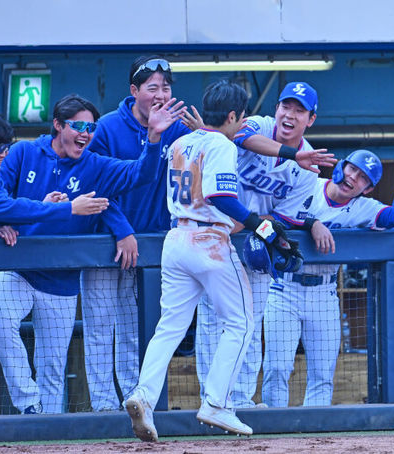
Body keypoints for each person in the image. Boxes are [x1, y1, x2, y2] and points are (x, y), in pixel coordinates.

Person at [124, 80, 303, 441]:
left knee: (170, 326)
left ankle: (143, 394)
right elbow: (220, 196)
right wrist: (263, 227)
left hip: (176, 239)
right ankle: (217, 403)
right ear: (233, 115)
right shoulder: (221, 144)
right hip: (209, 239)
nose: (242, 122)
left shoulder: (180, 141)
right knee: (240, 323)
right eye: (242, 116)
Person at [0, 95, 168, 414]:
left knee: (53, 369)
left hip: (61, 281)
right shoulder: (25, 151)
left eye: (91, 127)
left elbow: (142, 174)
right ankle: (28, 402)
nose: (86, 133)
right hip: (16, 268)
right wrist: (2, 221)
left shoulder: (94, 164)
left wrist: (153, 139)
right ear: (58, 125)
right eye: (79, 125)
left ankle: (49, 434)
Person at [0, 111, 107, 412]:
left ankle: (40, 413)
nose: (5, 154)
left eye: (8, 147)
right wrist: (69, 207)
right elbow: (5, 205)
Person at [194, 81, 335, 408]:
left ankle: (240, 400)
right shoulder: (261, 125)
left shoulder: (307, 169)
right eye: (286, 106)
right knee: (212, 321)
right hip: (214, 237)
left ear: (310, 119)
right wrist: (292, 154)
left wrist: (244, 225)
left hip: (249, 242)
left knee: (249, 323)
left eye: (300, 110)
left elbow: (280, 216)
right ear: (277, 109)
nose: (290, 115)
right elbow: (240, 136)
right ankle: (210, 399)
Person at [263, 150, 394, 408]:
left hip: (324, 292)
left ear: (367, 189)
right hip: (284, 288)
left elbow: (389, 217)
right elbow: (271, 219)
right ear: (341, 166)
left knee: (322, 374)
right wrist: (312, 223)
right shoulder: (307, 184)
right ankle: (273, 433)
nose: (353, 177)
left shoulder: (362, 207)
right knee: (277, 368)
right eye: (352, 169)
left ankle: (314, 439)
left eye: (363, 177)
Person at [84, 56, 190, 411]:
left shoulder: (179, 127)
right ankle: (102, 406)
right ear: (134, 91)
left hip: (151, 244)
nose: (160, 94)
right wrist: (121, 229)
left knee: (134, 329)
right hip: (104, 240)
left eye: (166, 87)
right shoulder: (107, 127)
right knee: (100, 327)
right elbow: (93, 183)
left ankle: (134, 402)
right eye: (152, 87)